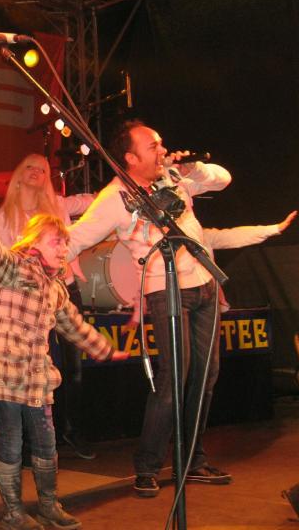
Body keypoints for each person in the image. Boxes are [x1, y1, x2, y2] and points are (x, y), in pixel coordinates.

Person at [66, 119, 232, 497]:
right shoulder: (114, 197)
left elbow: (224, 179)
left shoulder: (173, 176)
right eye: (153, 146)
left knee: (206, 377)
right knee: (174, 379)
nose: (162, 150)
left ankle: (193, 461)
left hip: (205, 285)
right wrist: (35, 256)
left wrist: (194, 170)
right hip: (166, 290)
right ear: (130, 157)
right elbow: (77, 238)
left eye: (161, 143)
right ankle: (148, 465)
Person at [0, 210, 128, 529]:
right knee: (12, 440)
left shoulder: (55, 287)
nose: (63, 248)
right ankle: (14, 513)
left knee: (46, 442)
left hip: (37, 378)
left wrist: (106, 351)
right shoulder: (15, 267)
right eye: (56, 241)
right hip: (5, 374)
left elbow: (75, 326)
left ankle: (48, 505)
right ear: (35, 242)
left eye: (65, 243)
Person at [0, 153, 96, 459]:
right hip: (28, 302)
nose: (36, 172)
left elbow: (93, 202)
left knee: (74, 367)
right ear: (18, 174)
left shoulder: (59, 205)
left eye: (42, 169)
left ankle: (71, 430)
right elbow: (1, 264)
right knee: (32, 367)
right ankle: (32, 444)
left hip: (65, 290)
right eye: (30, 167)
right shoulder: (4, 218)